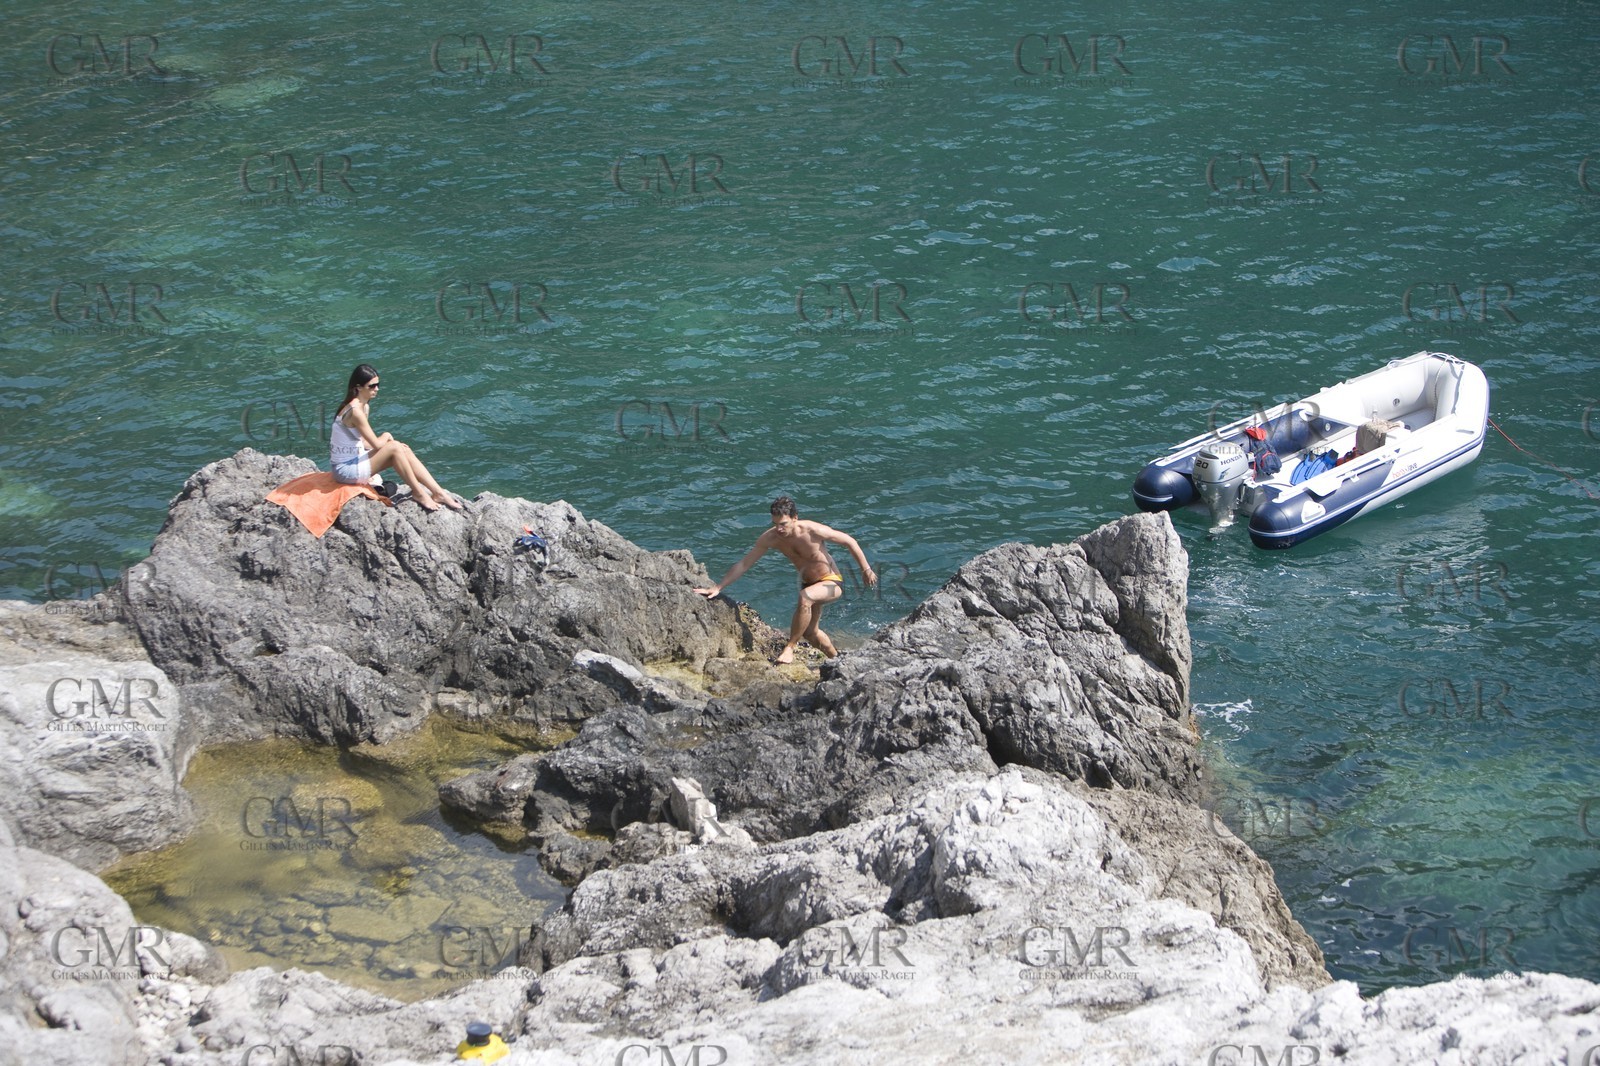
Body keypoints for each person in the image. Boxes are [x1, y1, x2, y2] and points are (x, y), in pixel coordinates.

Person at [694, 496, 875, 664]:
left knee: (805, 597)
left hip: (832, 582)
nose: (779, 529)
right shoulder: (771, 538)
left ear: (795, 518)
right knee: (811, 633)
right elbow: (744, 564)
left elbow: (849, 541)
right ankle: (836, 660)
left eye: (783, 524)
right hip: (810, 584)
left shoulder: (812, 530)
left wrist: (866, 569)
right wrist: (718, 587)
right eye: (775, 524)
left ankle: (790, 648)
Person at [329, 364, 464, 512]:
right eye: (372, 386)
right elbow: (376, 444)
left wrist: (392, 444)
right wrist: (387, 435)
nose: (377, 389)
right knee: (394, 447)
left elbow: (362, 442)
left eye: (378, 385)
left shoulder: (364, 406)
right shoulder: (355, 411)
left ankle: (439, 493)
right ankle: (419, 493)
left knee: (401, 448)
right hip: (345, 470)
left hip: (355, 460)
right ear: (359, 387)